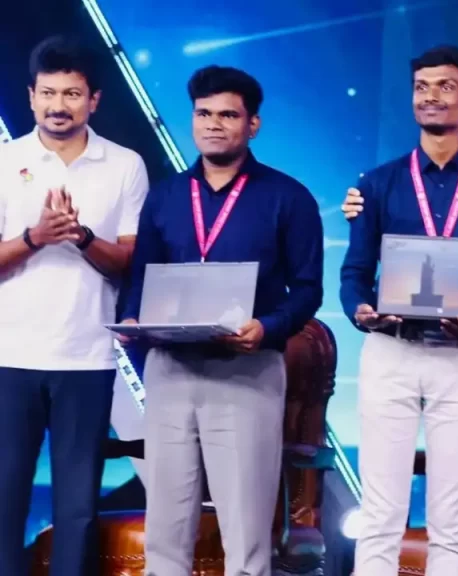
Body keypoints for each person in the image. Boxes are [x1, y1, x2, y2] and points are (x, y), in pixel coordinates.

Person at [119, 65, 324, 576]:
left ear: (252, 124)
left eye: (228, 115)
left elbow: (307, 290)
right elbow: (141, 276)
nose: (213, 124)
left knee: (246, 531)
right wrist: (131, 319)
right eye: (203, 113)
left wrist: (268, 326)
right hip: (170, 370)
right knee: (165, 528)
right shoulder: (166, 195)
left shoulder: (288, 197)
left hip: (246, 371)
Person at [339, 45, 458, 576]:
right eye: (421, 86)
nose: (430, 96)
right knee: (380, 514)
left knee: (451, 520)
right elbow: (355, 273)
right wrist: (361, 311)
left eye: (445, 86)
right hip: (390, 352)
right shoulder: (376, 183)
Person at [0, 35, 148, 575]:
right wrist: (36, 237)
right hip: (10, 355)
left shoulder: (125, 165)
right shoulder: (5, 161)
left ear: (94, 100)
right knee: (5, 498)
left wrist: (82, 236)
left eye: (71, 93)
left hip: (88, 358)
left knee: (78, 506)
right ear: (31, 96)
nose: (58, 105)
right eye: (47, 93)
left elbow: (129, 260)